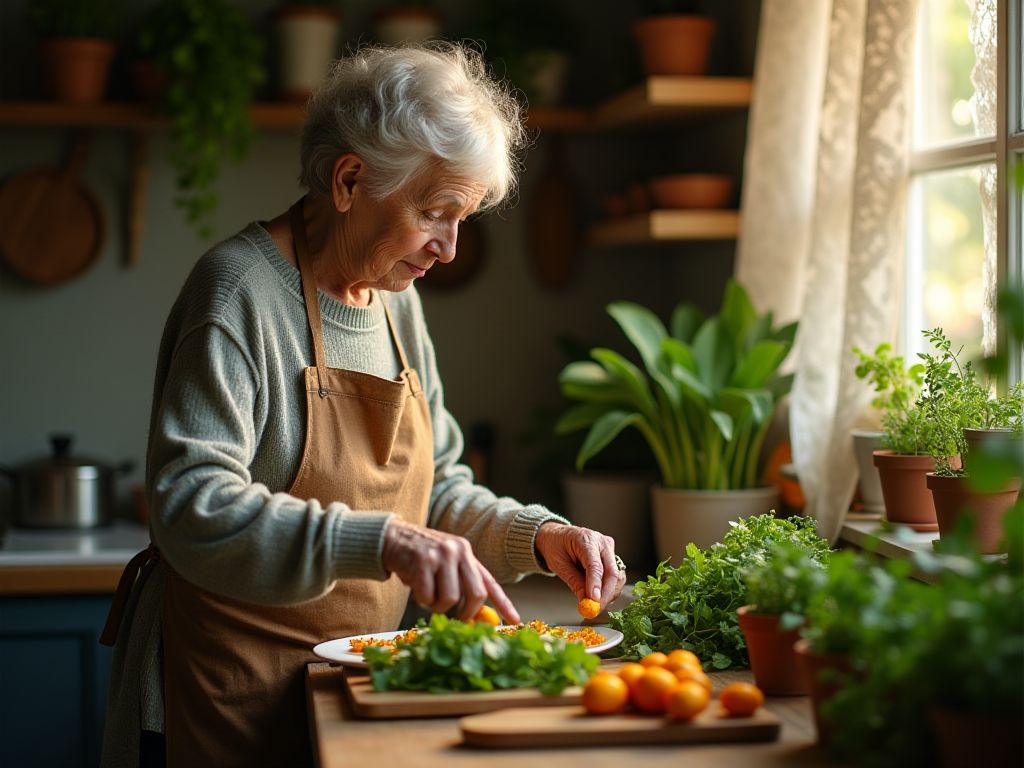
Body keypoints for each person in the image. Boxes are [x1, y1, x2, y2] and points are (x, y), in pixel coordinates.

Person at [99, 43, 626, 768]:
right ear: (350, 179)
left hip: (351, 692)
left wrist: (537, 537)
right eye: (436, 213)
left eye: (463, 218)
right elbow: (191, 505)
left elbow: (436, 488)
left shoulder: (393, 303)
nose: (447, 248)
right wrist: (381, 540)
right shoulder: (237, 295)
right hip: (229, 693)